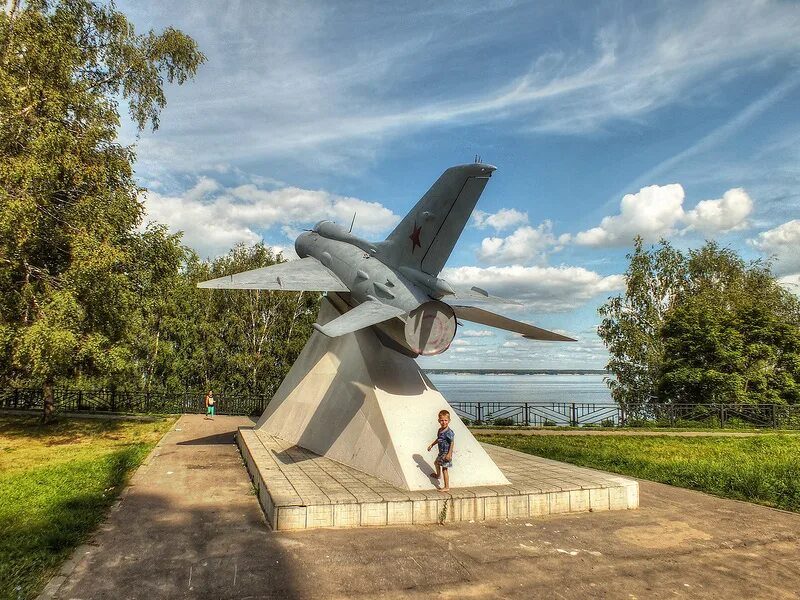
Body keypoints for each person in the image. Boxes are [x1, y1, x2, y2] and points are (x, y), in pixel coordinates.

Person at [427, 409, 455, 492]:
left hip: (446, 453)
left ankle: (447, 486)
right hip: (441, 453)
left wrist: (449, 454)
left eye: (446, 420)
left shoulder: (449, 432)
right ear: (439, 420)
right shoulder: (440, 430)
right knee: (436, 463)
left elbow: (452, 443)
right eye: (442, 420)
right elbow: (438, 439)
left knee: (445, 469)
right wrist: (432, 445)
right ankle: (438, 475)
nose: (444, 422)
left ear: (449, 421)